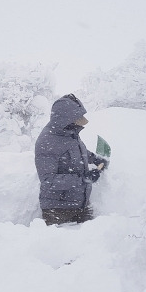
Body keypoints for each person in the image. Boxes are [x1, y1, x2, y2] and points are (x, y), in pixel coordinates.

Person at [34, 94, 109, 225]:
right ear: (66, 119)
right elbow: (48, 180)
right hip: (58, 211)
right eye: (77, 119)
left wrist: (95, 159)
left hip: (81, 204)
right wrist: (83, 179)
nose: (80, 122)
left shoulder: (70, 132)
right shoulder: (47, 141)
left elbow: (78, 151)